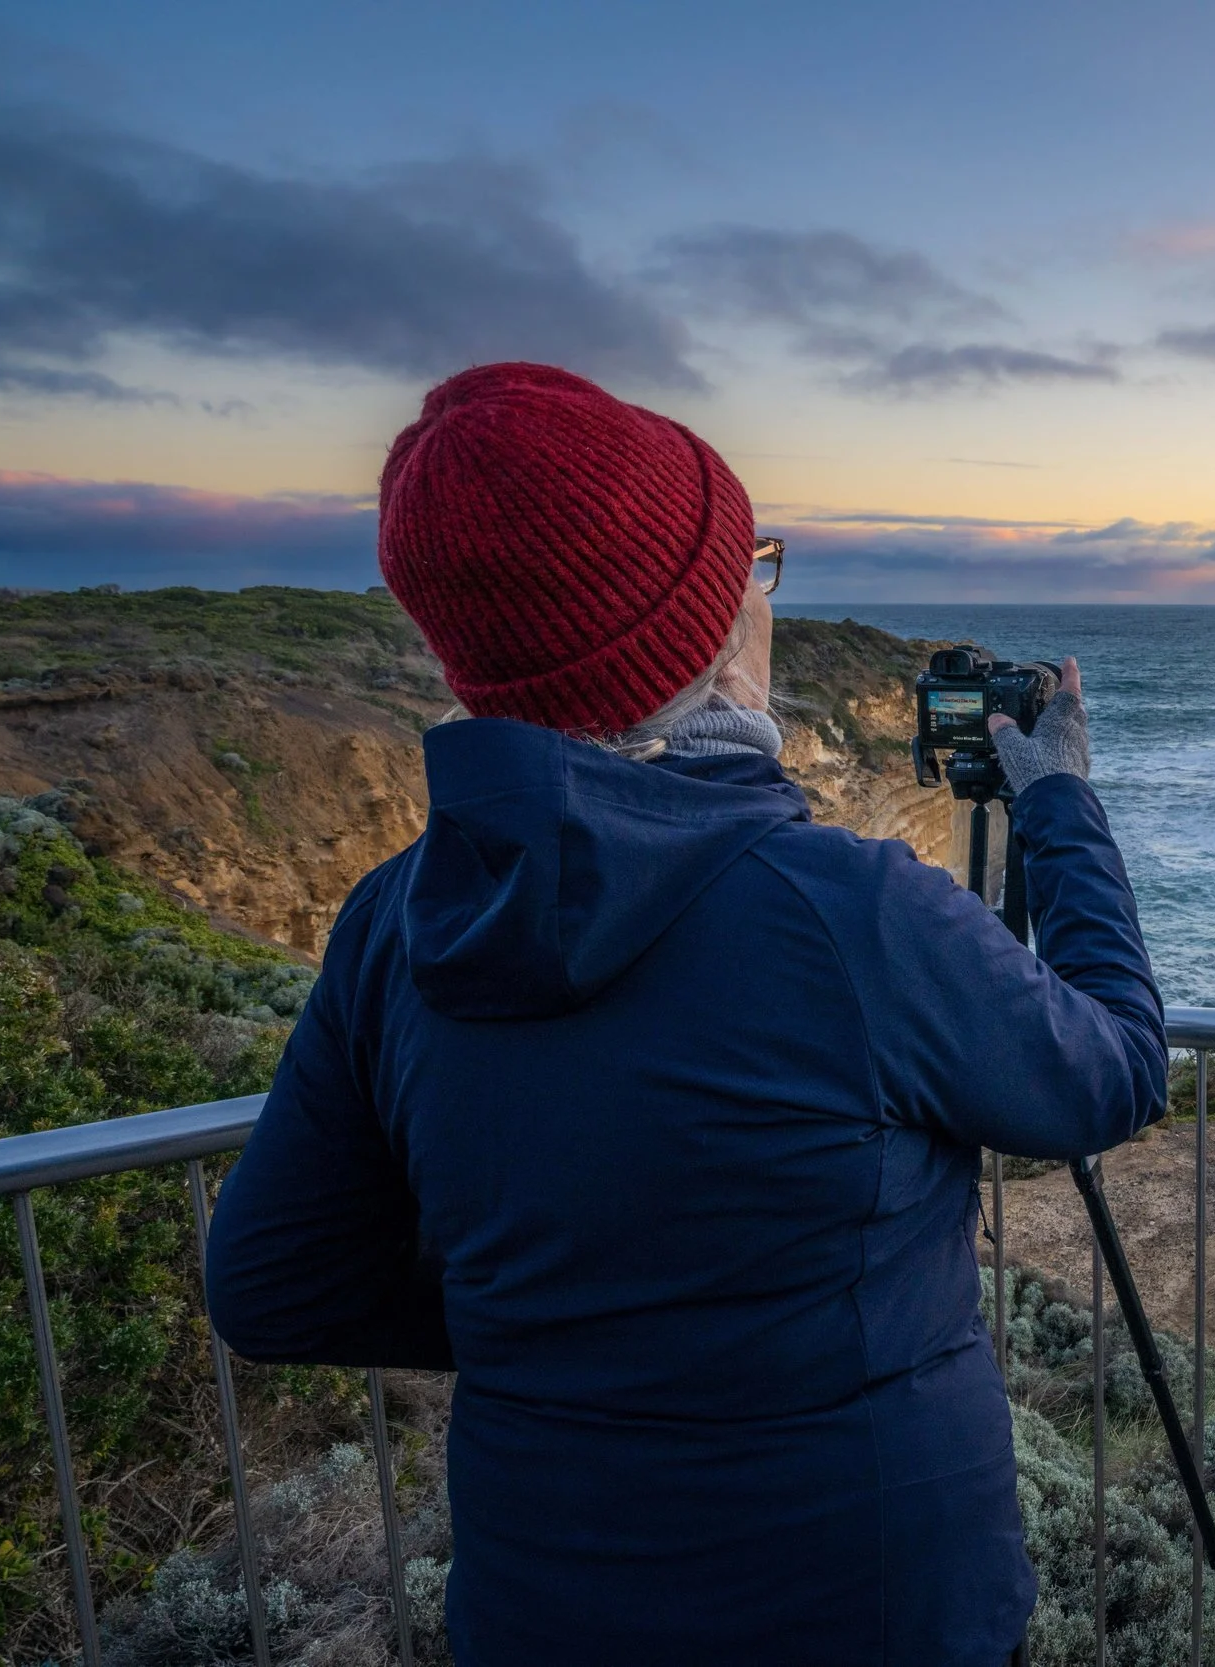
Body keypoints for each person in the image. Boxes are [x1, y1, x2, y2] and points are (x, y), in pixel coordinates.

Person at [205, 362, 1164, 1665]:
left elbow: (268, 1281)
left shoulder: (392, 924)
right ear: (713, 638)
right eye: (754, 570)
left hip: (543, 1609)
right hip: (872, 1606)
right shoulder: (844, 909)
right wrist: (1059, 804)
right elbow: (1109, 1070)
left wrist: (553, 1317)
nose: (765, 600)